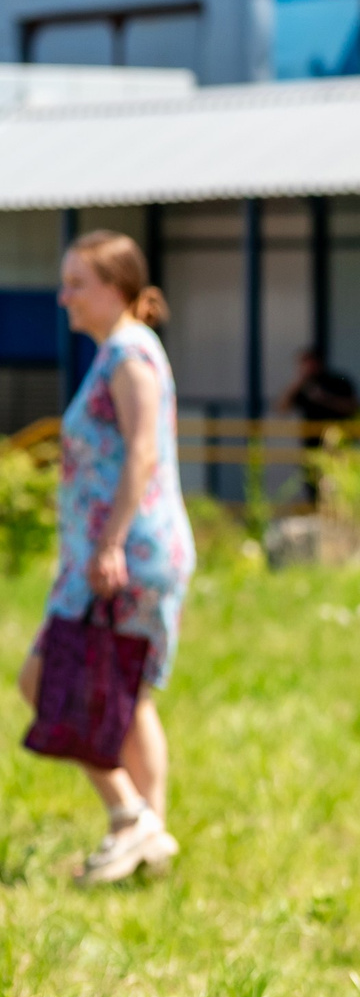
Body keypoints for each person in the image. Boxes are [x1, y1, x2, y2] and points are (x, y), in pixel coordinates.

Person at [22, 231, 196, 885]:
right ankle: (146, 838)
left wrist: (111, 542)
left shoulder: (128, 356)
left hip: (124, 555)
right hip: (116, 552)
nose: (64, 296)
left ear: (116, 288)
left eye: (77, 283)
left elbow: (143, 452)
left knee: (44, 680)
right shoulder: (119, 352)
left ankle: (130, 816)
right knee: (130, 699)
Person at [276, 347, 360, 505]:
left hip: (337, 445)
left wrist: (325, 399)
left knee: (338, 487)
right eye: (303, 364)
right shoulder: (303, 386)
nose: (307, 367)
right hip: (311, 447)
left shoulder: (337, 382)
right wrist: (298, 382)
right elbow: (282, 408)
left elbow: (353, 407)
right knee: (313, 488)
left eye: (310, 363)